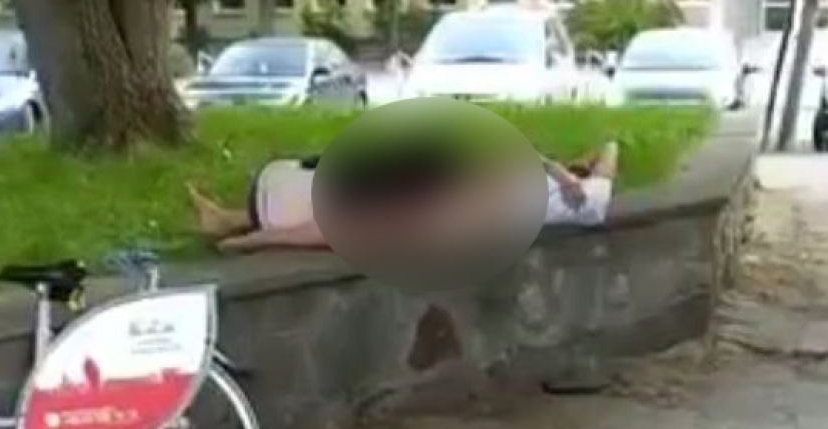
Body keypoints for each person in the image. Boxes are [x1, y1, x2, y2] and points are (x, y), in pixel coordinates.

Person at [189, 141, 619, 252]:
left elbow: (611, 150)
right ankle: (234, 223)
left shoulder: (592, 202)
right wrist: (562, 168)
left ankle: (241, 229)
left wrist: (567, 172)